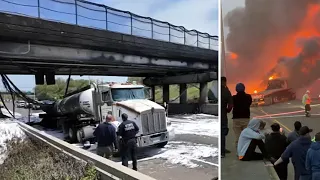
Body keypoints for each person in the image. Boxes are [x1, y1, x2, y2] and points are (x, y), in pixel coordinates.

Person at [232, 83, 252, 148]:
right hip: (245, 118)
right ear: (244, 89)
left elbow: (231, 105)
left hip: (236, 118)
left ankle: (238, 151)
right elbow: (249, 104)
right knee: (246, 135)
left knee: (238, 136)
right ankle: (245, 150)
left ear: (236, 90)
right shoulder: (248, 97)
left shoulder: (233, 98)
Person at [221, 76, 233, 158]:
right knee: (223, 131)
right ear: (224, 82)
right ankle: (222, 151)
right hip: (223, 113)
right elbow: (230, 104)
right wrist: (227, 110)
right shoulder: (226, 91)